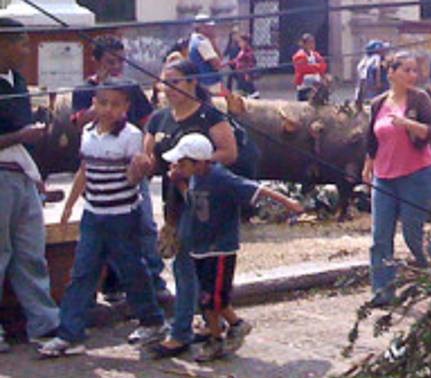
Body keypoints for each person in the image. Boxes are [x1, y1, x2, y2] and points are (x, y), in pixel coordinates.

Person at [38, 82, 166, 357]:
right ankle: (69, 334)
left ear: (126, 108)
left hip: (122, 216)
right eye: (103, 103)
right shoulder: (86, 133)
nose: (108, 110)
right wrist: (70, 206)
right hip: (93, 214)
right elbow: (84, 171)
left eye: (116, 104)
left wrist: (139, 169)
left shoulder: (130, 136)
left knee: (132, 270)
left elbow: (133, 178)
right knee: (82, 273)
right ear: (94, 103)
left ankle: (152, 320)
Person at [162, 134, 302, 361]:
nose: (178, 166)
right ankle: (235, 325)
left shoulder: (221, 178)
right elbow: (195, 202)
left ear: (198, 162)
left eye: (182, 163)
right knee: (208, 297)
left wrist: (288, 203)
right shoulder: (196, 178)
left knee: (212, 298)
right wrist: (179, 183)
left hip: (219, 249)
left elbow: (256, 189)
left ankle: (217, 339)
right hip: (201, 248)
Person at [133, 60, 238, 360]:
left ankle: (181, 331)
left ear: (192, 83)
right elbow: (150, 157)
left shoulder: (209, 115)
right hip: (173, 203)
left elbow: (229, 153)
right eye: (165, 83)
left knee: (190, 267)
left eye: (176, 82)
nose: (169, 89)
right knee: (188, 266)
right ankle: (212, 323)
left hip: (204, 202)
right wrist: (142, 164)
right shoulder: (159, 119)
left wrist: (192, 168)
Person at [70, 35, 165, 300]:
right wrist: (99, 98)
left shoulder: (131, 87)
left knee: (144, 224)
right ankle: (113, 283)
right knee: (106, 229)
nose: (116, 67)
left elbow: (149, 122)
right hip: (101, 172)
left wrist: (146, 156)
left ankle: (154, 279)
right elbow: (79, 122)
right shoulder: (84, 90)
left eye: (120, 61)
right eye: (111, 62)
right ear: (97, 61)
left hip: (131, 167)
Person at [363, 52, 431, 304]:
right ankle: (382, 291)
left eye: (414, 70)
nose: (413, 75)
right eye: (407, 70)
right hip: (384, 176)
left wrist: (408, 124)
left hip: (416, 174)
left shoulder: (419, 100)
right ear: (391, 73)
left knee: (413, 233)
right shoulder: (378, 103)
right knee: (380, 237)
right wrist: (368, 165)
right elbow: (371, 138)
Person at [0, 18, 61, 352]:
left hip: (23, 175)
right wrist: (21, 136)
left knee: (30, 253)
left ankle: (45, 324)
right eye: (21, 44)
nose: (26, 51)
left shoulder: (19, 82)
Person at [187, 14, 223, 92]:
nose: (212, 29)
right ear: (201, 27)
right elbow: (217, 65)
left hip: (200, 83)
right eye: (208, 27)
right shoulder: (202, 42)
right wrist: (214, 43)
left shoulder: (194, 38)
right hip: (210, 84)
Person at [292, 33, 328, 102]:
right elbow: (303, 69)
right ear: (303, 44)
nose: (312, 45)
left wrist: (314, 67)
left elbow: (323, 66)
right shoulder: (299, 56)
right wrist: (316, 67)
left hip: (316, 87)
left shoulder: (315, 55)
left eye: (313, 43)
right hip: (304, 87)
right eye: (309, 43)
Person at [355, 40, 388, 104]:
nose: (385, 51)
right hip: (376, 89)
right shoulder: (376, 58)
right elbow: (377, 70)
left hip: (365, 89)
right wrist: (378, 84)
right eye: (383, 49)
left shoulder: (364, 60)